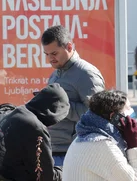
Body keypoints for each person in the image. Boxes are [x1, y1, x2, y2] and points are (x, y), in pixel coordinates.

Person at [0, 84, 69, 181]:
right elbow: (45, 177)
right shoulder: (34, 126)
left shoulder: (16, 114)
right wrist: (63, 172)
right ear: (54, 112)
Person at [42, 25, 105, 166]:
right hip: (54, 148)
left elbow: (97, 115)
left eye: (54, 53)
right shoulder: (56, 73)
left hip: (73, 152)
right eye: (46, 54)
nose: (50, 59)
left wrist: (60, 106)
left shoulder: (86, 74)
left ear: (69, 47)